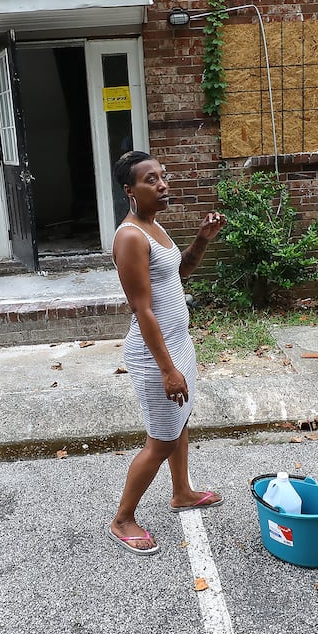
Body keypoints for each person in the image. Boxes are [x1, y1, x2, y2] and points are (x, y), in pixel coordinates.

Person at [106, 150, 227, 556]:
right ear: (130, 191)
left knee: (182, 421)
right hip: (154, 355)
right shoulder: (130, 236)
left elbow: (177, 275)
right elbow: (143, 309)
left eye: (163, 176)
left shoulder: (154, 226)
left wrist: (201, 240)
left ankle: (182, 492)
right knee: (160, 440)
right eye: (150, 180)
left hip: (178, 344)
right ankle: (123, 518)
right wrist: (167, 369)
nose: (162, 185)